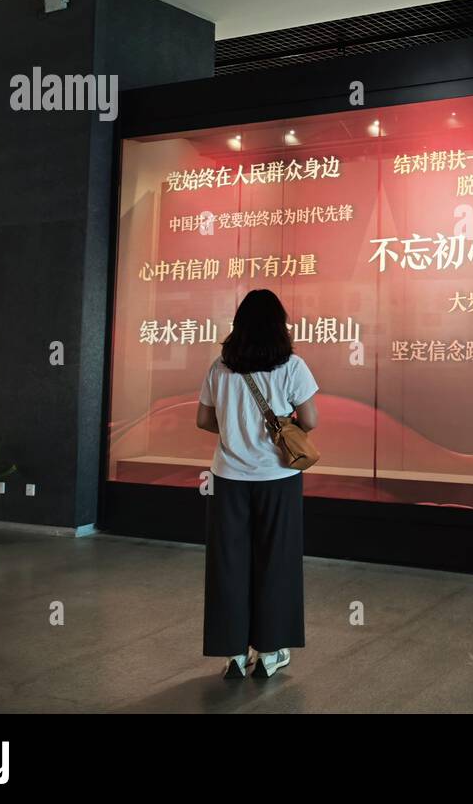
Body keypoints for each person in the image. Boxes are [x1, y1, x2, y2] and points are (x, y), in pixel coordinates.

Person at [196, 288, 319, 680]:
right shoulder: (292, 366)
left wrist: (235, 433)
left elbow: (203, 420)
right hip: (278, 478)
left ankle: (232, 652)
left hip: (228, 478)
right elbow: (310, 420)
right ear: (278, 325)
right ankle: (269, 653)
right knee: (275, 560)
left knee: (228, 563)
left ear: (240, 325)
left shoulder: (221, 366)